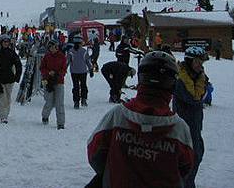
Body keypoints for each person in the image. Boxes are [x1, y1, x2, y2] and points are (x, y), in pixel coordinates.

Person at [87, 51, 194, 188]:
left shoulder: (118, 116)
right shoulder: (179, 128)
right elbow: (186, 167)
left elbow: (95, 153)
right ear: (172, 84)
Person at [173, 46, 208, 188]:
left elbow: (201, 95)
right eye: (197, 62)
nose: (200, 65)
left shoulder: (199, 78)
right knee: (189, 159)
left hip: (195, 125)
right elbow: (193, 99)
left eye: (202, 62)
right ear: (189, 62)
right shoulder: (181, 81)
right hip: (183, 128)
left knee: (197, 155)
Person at [0, 35, 22, 123]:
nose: (6, 43)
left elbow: (18, 64)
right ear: (1, 43)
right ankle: (3, 116)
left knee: (8, 98)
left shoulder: (12, 53)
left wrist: (17, 76)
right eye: (4, 42)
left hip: (10, 79)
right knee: (2, 98)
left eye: (7, 42)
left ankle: (6, 114)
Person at [40, 38, 67, 129]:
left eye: (54, 47)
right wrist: (48, 73)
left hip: (59, 82)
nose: (52, 49)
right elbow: (42, 68)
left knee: (59, 103)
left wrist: (58, 74)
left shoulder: (62, 56)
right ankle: (45, 116)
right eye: (50, 47)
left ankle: (60, 123)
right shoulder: (46, 57)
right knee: (49, 102)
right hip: (48, 82)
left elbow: (64, 69)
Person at [67, 35, 93, 108]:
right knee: (83, 85)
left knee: (76, 87)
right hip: (82, 72)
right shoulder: (83, 51)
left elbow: (67, 61)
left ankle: (77, 101)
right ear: (79, 43)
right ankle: (82, 100)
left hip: (75, 72)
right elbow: (88, 61)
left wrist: (64, 69)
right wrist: (90, 69)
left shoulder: (71, 51)